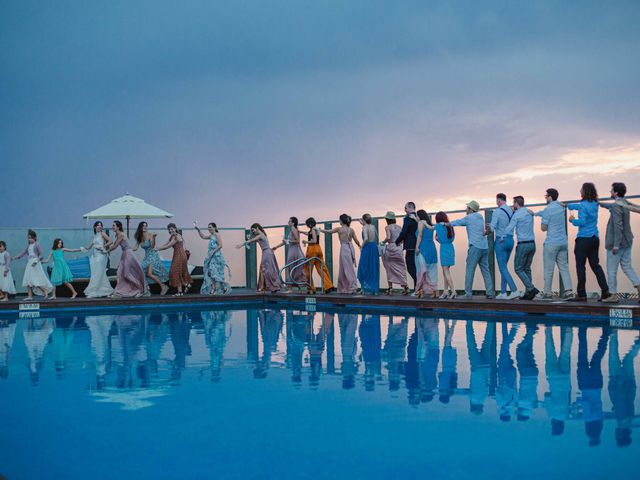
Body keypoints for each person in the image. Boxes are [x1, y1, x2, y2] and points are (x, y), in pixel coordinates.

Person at [567, 183, 616, 302]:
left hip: (583, 239)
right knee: (595, 266)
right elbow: (581, 207)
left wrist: (573, 220)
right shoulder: (595, 204)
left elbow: (582, 221)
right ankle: (605, 292)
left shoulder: (583, 205)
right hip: (594, 238)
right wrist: (569, 205)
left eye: (581, 189)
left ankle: (582, 294)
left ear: (584, 191)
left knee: (580, 266)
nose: (580, 191)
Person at [530, 188, 574, 299]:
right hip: (563, 242)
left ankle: (547, 292)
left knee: (548, 269)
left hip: (551, 243)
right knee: (564, 267)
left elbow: (543, 228)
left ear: (550, 197)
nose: (545, 198)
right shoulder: (561, 207)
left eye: (546, 196)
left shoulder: (548, 209)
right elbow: (544, 213)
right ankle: (569, 292)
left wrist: (542, 220)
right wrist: (535, 214)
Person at [599, 182, 640, 300]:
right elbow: (612, 206)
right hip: (627, 241)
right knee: (627, 266)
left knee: (611, 270)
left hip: (618, 243)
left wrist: (616, 245)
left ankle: (613, 295)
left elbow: (618, 226)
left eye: (611, 190)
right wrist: (600, 203)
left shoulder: (617, 206)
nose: (610, 192)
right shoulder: (624, 202)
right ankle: (638, 287)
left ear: (616, 193)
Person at [449, 201, 494, 299]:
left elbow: (457, 222)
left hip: (475, 247)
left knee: (470, 270)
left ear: (470, 209)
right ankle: (490, 292)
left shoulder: (469, 218)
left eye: (467, 208)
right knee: (485, 270)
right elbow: (482, 231)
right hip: (484, 247)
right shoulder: (480, 217)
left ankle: (468, 293)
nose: (466, 209)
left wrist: (445, 224)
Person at [577, 327, 609, 447]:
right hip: (585, 384)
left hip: (596, 385)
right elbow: (586, 403)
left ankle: (605, 335)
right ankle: (582, 330)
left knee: (597, 358)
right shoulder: (588, 418)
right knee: (582, 355)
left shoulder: (600, 418)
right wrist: (578, 401)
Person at [504, 196, 539, 300]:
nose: (512, 205)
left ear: (516, 203)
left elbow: (509, 229)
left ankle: (531, 288)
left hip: (523, 244)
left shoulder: (517, 215)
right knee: (527, 268)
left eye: (513, 203)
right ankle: (529, 293)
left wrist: (501, 235)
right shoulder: (528, 212)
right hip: (532, 244)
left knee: (518, 268)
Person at [319, 214, 361, 294]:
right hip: (351, 248)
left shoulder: (339, 229)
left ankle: (350, 287)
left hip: (344, 249)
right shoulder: (351, 230)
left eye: (339, 220)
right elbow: (356, 241)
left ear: (342, 221)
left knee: (344, 269)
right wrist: (360, 246)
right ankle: (349, 287)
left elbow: (329, 232)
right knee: (349, 267)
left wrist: (320, 230)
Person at [106, 221, 148, 298]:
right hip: (124, 254)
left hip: (128, 254)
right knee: (119, 273)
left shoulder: (121, 234)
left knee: (126, 274)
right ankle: (118, 292)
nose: (112, 227)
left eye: (114, 225)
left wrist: (106, 251)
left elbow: (115, 246)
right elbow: (114, 245)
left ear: (118, 227)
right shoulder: (118, 234)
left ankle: (141, 288)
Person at [489, 193, 519, 299]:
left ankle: (514, 290)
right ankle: (503, 292)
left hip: (501, 240)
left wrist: (485, 230)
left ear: (498, 200)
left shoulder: (497, 212)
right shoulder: (511, 210)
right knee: (504, 268)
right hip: (510, 240)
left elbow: (492, 228)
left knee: (502, 268)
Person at [237, 223, 281, 293]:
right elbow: (252, 239)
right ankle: (268, 287)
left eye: (253, 230)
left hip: (267, 253)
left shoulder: (261, 235)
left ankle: (272, 286)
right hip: (266, 252)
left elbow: (251, 240)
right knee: (265, 269)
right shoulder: (261, 235)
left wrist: (241, 245)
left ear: (257, 228)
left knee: (266, 269)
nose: (253, 231)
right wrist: (248, 239)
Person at [13, 229, 52, 300]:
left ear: (34, 237)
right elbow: (23, 252)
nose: (29, 239)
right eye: (28, 238)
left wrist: (36, 261)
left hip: (35, 264)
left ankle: (44, 290)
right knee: (28, 280)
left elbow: (41, 255)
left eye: (31, 238)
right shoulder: (28, 245)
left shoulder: (37, 244)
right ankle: (29, 296)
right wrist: (17, 257)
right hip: (30, 263)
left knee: (34, 280)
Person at [133, 221, 169, 295]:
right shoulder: (139, 237)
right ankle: (149, 289)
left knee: (147, 273)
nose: (145, 227)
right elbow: (136, 247)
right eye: (143, 226)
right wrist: (128, 249)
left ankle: (161, 287)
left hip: (153, 255)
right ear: (140, 227)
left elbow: (152, 246)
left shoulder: (150, 235)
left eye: (146, 226)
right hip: (147, 256)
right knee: (143, 272)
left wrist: (153, 238)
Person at [195, 221, 231, 295]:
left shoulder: (217, 235)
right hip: (211, 256)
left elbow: (220, 245)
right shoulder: (211, 235)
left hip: (216, 256)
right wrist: (198, 230)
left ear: (215, 227)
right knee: (211, 272)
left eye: (210, 227)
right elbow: (203, 237)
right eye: (208, 227)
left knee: (216, 272)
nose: (209, 229)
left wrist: (213, 252)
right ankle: (214, 288)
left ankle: (222, 287)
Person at [157, 223, 193, 296]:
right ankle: (180, 291)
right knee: (177, 272)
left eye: (172, 229)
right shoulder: (172, 236)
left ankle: (185, 285)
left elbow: (168, 246)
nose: (171, 230)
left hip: (180, 255)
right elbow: (165, 244)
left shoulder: (176, 236)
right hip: (177, 255)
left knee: (173, 271)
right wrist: (157, 248)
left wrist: (156, 249)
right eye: (169, 229)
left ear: (175, 228)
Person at [301, 217, 334, 294]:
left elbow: (314, 240)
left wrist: (306, 241)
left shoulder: (312, 229)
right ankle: (328, 286)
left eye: (307, 224)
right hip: (318, 249)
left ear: (309, 224)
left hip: (312, 249)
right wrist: (301, 232)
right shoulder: (316, 229)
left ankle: (311, 288)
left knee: (307, 268)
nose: (307, 226)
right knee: (321, 268)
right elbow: (309, 234)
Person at [272, 217, 307, 292]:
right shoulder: (293, 230)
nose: (288, 222)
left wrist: (288, 240)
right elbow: (285, 242)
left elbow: (297, 240)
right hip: (293, 250)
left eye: (289, 221)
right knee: (294, 268)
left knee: (291, 267)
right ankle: (296, 287)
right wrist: (276, 247)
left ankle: (291, 288)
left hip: (294, 250)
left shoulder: (293, 229)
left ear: (293, 223)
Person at [82, 221, 114, 298]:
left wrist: (103, 246)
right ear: (95, 227)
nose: (100, 226)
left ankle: (94, 291)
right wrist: (82, 249)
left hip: (101, 255)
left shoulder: (103, 234)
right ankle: (106, 290)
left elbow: (110, 241)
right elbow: (89, 247)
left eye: (101, 225)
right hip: (95, 256)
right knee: (97, 273)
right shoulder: (95, 236)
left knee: (98, 273)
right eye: (98, 225)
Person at [380, 211, 408, 295]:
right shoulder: (399, 227)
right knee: (401, 268)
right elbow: (402, 239)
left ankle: (390, 288)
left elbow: (388, 237)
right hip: (399, 248)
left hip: (391, 248)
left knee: (389, 268)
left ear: (387, 219)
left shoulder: (387, 227)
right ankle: (405, 287)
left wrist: (383, 242)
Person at [415, 210, 438, 299]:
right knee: (432, 270)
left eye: (417, 216)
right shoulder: (431, 224)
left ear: (420, 216)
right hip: (432, 248)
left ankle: (420, 291)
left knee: (421, 271)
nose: (416, 217)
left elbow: (420, 235)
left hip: (423, 247)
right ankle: (435, 292)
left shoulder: (421, 223)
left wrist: (417, 247)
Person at [395, 202, 418, 289]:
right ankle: (418, 287)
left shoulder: (408, 218)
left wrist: (398, 241)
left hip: (410, 245)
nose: (404, 210)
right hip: (418, 245)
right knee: (416, 266)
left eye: (405, 208)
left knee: (410, 266)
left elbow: (404, 231)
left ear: (410, 207)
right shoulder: (418, 217)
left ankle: (417, 287)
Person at [434, 212, 456, 299]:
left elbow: (436, 236)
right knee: (445, 271)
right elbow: (452, 238)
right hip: (450, 247)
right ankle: (445, 291)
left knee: (446, 271)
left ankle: (453, 291)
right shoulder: (450, 226)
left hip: (443, 249)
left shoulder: (438, 226)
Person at [357, 214, 380, 294]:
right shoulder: (373, 227)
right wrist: (363, 223)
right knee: (373, 268)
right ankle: (374, 289)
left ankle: (364, 289)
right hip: (374, 247)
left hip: (367, 248)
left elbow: (366, 238)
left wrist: (361, 247)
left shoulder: (364, 227)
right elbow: (377, 238)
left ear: (364, 220)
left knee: (363, 267)